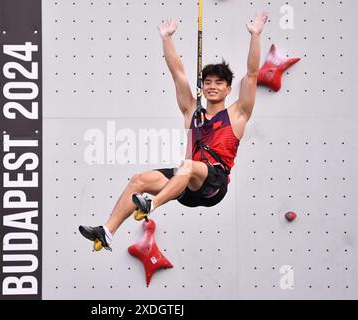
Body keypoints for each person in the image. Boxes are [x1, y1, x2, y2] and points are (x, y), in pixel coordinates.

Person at [79, 11, 269, 251]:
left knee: (186, 166)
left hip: (214, 184)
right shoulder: (192, 111)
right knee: (139, 179)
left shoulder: (237, 114)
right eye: (208, 82)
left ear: (228, 89)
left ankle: (152, 204)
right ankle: (107, 231)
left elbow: (252, 74)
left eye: (219, 83)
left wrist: (256, 35)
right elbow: (178, 74)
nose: (212, 87)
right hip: (186, 187)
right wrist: (166, 38)